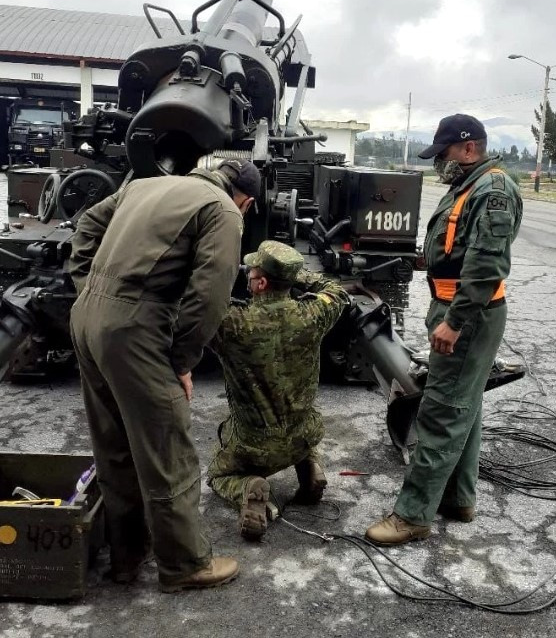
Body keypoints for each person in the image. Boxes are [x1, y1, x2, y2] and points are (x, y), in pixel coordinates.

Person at [68, 159, 261, 592]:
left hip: (87, 319)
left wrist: (90, 288)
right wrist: (181, 361)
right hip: (135, 328)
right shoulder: (224, 211)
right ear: (245, 201)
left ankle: (127, 556)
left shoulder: (143, 185)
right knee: (167, 445)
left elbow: (86, 227)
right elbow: (210, 296)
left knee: (114, 443)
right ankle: (185, 565)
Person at [365, 114, 523, 545]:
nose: (440, 163)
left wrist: (455, 322)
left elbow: (487, 264)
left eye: (445, 153)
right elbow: (461, 248)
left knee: (439, 412)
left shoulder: (491, 191)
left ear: (469, 147)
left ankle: (412, 515)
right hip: (459, 308)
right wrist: (427, 260)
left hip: (467, 315)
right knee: (464, 407)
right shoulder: (469, 185)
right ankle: (458, 498)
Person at [208, 240, 350, 541]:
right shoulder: (312, 315)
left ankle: (247, 489)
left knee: (217, 474)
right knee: (302, 428)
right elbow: (336, 291)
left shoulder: (233, 323)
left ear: (260, 283)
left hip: (253, 448)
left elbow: (192, 307)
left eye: (252, 271)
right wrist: (299, 276)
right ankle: (309, 465)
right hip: (302, 435)